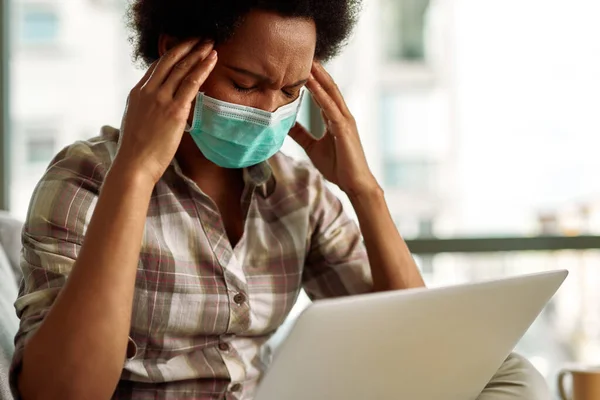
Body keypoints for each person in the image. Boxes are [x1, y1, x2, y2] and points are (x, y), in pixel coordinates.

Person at [10, 0, 550, 399]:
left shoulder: (297, 192)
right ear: (173, 53)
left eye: (291, 91)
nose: (269, 110)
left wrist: (364, 191)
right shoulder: (85, 178)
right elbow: (62, 394)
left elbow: (423, 349)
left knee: (510, 373)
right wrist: (135, 172)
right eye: (246, 84)